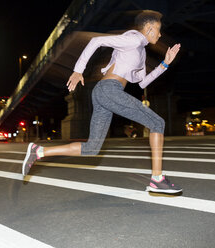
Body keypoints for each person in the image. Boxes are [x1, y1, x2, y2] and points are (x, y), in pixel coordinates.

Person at [22, 10, 182, 193]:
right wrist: (78, 70)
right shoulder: (134, 39)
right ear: (149, 28)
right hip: (109, 90)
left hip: (103, 93)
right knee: (157, 123)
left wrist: (165, 63)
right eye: (158, 30)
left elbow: (143, 82)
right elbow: (96, 41)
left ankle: (39, 151)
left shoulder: (140, 52)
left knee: (92, 148)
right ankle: (157, 179)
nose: (160, 35)